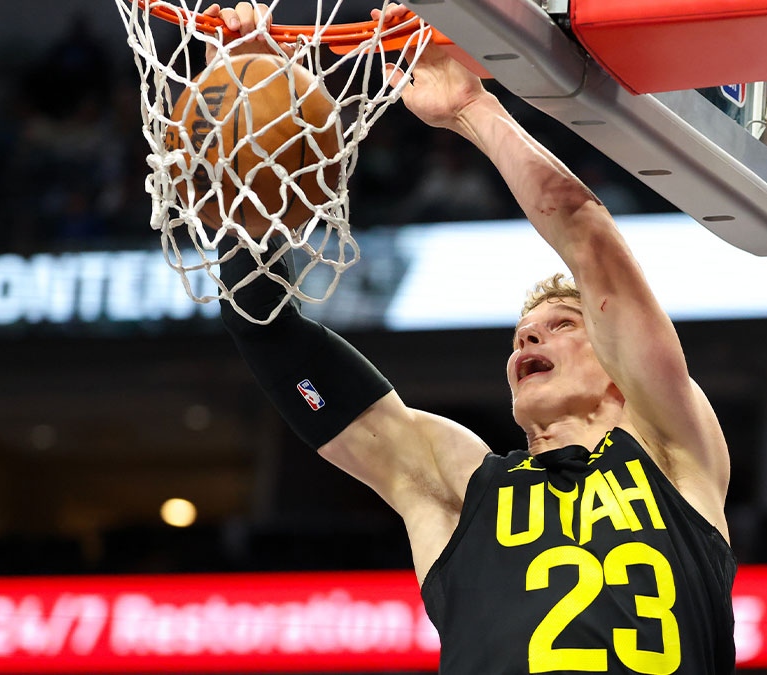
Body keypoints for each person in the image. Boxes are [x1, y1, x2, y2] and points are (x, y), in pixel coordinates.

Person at [206, 3, 736, 672]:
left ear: (616, 369)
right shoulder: (457, 483)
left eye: (561, 324)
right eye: (521, 334)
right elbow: (270, 334)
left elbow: (588, 236)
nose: (526, 341)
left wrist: (469, 110)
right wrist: (249, 133)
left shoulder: (671, 450)